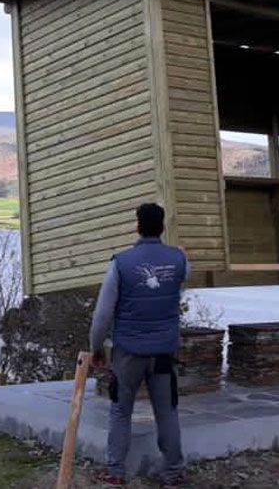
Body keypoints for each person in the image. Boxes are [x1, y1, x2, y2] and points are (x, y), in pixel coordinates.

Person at [90, 203, 188, 488]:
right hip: (163, 355)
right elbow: (184, 271)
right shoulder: (177, 261)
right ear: (163, 227)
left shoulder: (120, 263)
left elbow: (102, 314)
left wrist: (96, 347)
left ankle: (115, 473)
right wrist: (181, 254)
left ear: (137, 226)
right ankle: (173, 474)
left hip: (128, 354)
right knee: (166, 411)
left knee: (121, 411)